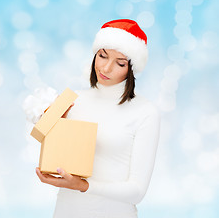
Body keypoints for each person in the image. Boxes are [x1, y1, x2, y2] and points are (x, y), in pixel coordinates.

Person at [34, 19, 160, 218]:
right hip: (67, 211)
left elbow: (137, 191)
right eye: (102, 56)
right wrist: (51, 125)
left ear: (132, 69)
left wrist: (84, 186)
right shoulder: (72, 100)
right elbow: (45, 143)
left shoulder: (145, 112)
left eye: (120, 63)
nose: (106, 68)